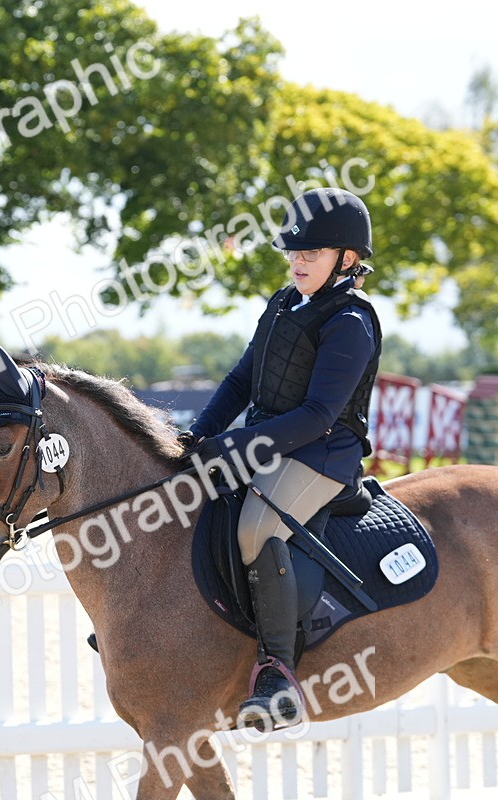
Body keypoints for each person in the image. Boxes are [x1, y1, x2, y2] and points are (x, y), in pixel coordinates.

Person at [181, 187, 382, 729]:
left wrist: (236, 447)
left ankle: (278, 674)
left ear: (347, 259)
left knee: (254, 529)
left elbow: (318, 414)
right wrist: (198, 435)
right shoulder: (282, 302)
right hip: (269, 443)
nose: (297, 261)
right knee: (188, 496)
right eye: (293, 252)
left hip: (322, 455)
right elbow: (242, 378)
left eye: (310, 254)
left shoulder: (350, 321)